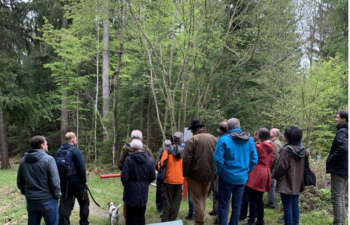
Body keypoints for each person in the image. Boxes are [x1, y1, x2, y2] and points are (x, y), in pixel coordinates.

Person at [214, 118, 258, 225]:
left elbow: (218, 159)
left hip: (226, 177)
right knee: (237, 204)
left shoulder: (224, 139)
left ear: (228, 128)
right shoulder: (249, 140)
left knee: (223, 203)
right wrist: (247, 171)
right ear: (239, 126)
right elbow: (254, 159)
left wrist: (221, 172)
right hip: (241, 177)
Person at [17, 136, 61, 225]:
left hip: (31, 200)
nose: (47, 145)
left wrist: (28, 193)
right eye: (46, 143)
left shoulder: (23, 161)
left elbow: (19, 182)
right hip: (48, 200)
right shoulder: (49, 160)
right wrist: (57, 195)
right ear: (42, 146)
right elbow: (55, 182)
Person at [183, 119, 217, 225]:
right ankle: (200, 219)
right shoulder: (215, 139)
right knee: (203, 197)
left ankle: (199, 222)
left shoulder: (191, 140)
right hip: (209, 174)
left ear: (194, 130)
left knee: (197, 199)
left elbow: (186, 160)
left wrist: (185, 173)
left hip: (194, 175)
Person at [272, 126, 306, 225]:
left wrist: (275, 175)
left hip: (286, 181)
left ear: (288, 136)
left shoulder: (286, 150)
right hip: (297, 180)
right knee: (294, 205)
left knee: (287, 205)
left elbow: (280, 167)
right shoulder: (303, 150)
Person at [121, 139, 156, 225]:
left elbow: (124, 177)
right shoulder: (150, 160)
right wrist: (145, 183)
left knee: (130, 217)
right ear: (142, 148)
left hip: (131, 192)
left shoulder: (129, 159)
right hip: (143, 192)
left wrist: (128, 185)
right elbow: (153, 176)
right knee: (141, 216)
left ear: (132, 148)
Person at [58, 132, 89, 225]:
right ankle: (84, 222)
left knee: (66, 203)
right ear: (73, 140)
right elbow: (81, 168)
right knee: (84, 202)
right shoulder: (76, 151)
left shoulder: (59, 151)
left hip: (64, 182)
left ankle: (63, 223)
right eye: (76, 138)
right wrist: (84, 181)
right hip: (76, 182)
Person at [243, 128, 274, 225]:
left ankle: (251, 220)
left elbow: (249, 158)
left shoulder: (258, 147)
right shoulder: (271, 146)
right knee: (259, 198)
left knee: (252, 198)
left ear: (259, 136)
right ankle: (260, 220)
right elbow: (271, 161)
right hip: (266, 172)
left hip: (256, 172)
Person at [326, 110, 348, 225]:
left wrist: (331, 159)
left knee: (336, 197)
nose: (335, 119)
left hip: (339, 169)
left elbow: (343, 149)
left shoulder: (342, 132)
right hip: (344, 169)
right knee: (340, 197)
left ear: (344, 119)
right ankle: (341, 221)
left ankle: (338, 222)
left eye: (337, 117)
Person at [158, 132, 185, 222]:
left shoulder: (167, 150)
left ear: (172, 140)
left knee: (167, 200)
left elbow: (160, 165)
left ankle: (165, 219)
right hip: (180, 180)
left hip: (169, 180)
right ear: (181, 140)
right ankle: (172, 220)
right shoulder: (185, 151)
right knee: (176, 202)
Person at [209, 121, 228, 224]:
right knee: (216, 192)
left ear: (220, 130)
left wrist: (218, 170)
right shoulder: (231, 139)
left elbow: (217, 157)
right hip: (224, 170)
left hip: (220, 170)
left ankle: (219, 217)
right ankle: (215, 211)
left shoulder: (221, 140)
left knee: (219, 192)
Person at [267, 128, 282, 209]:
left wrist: (270, 167)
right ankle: (271, 203)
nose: (269, 132)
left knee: (270, 186)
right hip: (273, 168)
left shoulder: (275, 143)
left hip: (272, 168)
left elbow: (275, 156)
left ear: (274, 134)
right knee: (270, 186)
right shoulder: (275, 142)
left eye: (271, 131)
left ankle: (272, 204)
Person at [155, 140, 172, 213]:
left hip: (161, 174)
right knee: (167, 192)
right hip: (169, 175)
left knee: (159, 191)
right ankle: (166, 207)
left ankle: (159, 207)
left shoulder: (162, 151)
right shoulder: (172, 151)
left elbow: (157, 163)